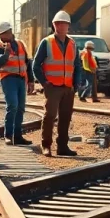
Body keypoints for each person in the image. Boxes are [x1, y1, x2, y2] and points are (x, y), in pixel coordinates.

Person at [32, 11, 82, 157]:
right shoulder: (46, 42)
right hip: (52, 87)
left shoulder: (72, 43)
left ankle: (63, 146)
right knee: (50, 115)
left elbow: (77, 65)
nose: (61, 26)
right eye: (58, 23)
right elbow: (36, 65)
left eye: (64, 23)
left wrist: (75, 84)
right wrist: (44, 82)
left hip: (68, 87)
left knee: (66, 117)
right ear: (54, 25)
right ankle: (46, 145)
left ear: (68, 26)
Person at [0, 22, 34, 146]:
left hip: (21, 79)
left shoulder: (20, 44)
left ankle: (18, 136)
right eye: (0, 35)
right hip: (8, 79)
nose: (1, 37)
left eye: (3, 34)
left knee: (20, 108)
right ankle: (8, 135)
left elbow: (27, 63)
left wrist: (31, 81)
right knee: (13, 106)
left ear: (10, 33)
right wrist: (6, 53)